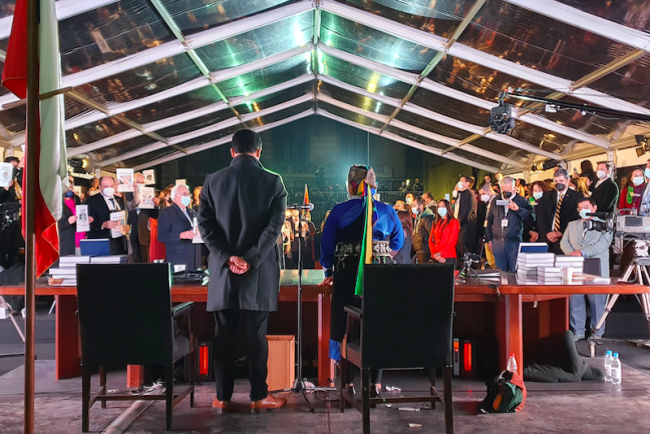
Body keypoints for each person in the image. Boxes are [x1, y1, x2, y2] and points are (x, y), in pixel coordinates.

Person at [197, 129, 288, 412]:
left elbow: (205, 227)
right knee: (255, 336)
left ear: (232, 151)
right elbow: (273, 229)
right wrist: (249, 259)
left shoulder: (212, 181)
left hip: (223, 273)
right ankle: (259, 396)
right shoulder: (273, 181)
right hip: (258, 273)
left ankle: (222, 397)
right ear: (258, 152)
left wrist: (227, 257)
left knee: (222, 335)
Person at [319, 164, 403, 398]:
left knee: (345, 323)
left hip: (347, 273)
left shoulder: (338, 211)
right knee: (378, 324)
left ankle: (346, 384)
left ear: (351, 186)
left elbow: (326, 247)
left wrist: (328, 272)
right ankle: (375, 384)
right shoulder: (387, 211)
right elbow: (398, 242)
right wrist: (381, 253)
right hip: (380, 275)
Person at [560, 197, 613, 341]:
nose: (584, 210)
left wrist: (582, 252)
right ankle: (578, 331)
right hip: (575, 266)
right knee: (575, 299)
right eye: (581, 208)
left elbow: (603, 244)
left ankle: (597, 332)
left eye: (587, 206)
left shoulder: (605, 224)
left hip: (596, 266)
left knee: (597, 301)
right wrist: (572, 253)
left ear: (594, 208)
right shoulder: (572, 225)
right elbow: (564, 242)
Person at [486, 177, 535, 272]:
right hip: (497, 241)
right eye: (503, 189)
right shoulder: (495, 200)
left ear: (514, 188)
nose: (505, 192)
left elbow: (531, 218)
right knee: (500, 271)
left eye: (508, 190)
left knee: (514, 271)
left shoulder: (522, 201)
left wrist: (519, 210)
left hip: (514, 242)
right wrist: (489, 239)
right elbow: (489, 221)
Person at [537, 168, 583, 255]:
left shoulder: (577, 197)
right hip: (547, 239)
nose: (558, 183)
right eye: (556, 181)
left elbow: (575, 217)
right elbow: (541, 216)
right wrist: (548, 233)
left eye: (561, 180)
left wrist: (560, 232)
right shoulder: (547, 196)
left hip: (566, 239)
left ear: (568, 180)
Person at [157, 184, 200, 272]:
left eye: (188, 194)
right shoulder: (167, 213)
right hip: (179, 257)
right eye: (184, 194)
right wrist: (180, 235)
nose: (187, 197)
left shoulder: (192, 212)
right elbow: (162, 236)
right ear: (175, 196)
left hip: (194, 257)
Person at [86, 176, 129, 255]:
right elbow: (87, 222)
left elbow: (125, 217)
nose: (109, 188)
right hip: (102, 242)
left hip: (119, 243)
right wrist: (102, 224)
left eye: (111, 186)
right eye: (106, 186)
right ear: (100, 187)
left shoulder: (119, 200)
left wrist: (127, 227)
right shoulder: (92, 201)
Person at [58, 175, 92, 256]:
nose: (70, 189)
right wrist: (67, 222)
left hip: (81, 239)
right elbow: (54, 226)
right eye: (67, 187)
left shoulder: (76, 201)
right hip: (66, 241)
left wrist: (87, 220)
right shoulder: (56, 204)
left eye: (71, 187)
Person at [454, 175, 478, 262]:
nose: (459, 182)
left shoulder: (469, 194)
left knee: (464, 248)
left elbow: (466, 212)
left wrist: (458, 222)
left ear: (467, 183)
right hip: (459, 226)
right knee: (459, 248)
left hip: (466, 228)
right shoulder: (461, 194)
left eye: (461, 181)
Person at [429, 199, 460, 265]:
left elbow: (452, 241)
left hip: (448, 256)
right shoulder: (435, 223)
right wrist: (434, 254)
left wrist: (440, 253)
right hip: (435, 257)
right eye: (439, 207)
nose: (441, 208)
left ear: (447, 208)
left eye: (443, 206)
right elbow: (431, 240)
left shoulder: (454, 222)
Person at [477, 181, 497, 268]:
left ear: (489, 190)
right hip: (488, 236)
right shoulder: (489, 203)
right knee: (491, 263)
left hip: (494, 238)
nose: (482, 197)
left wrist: (491, 239)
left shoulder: (497, 202)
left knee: (496, 264)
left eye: (483, 193)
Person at [412, 197, 434, 264]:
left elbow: (431, 234)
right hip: (418, 249)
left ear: (421, 206)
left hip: (424, 250)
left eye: (414, 205)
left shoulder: (427, 218)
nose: (412, 208)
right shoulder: (418, 218)